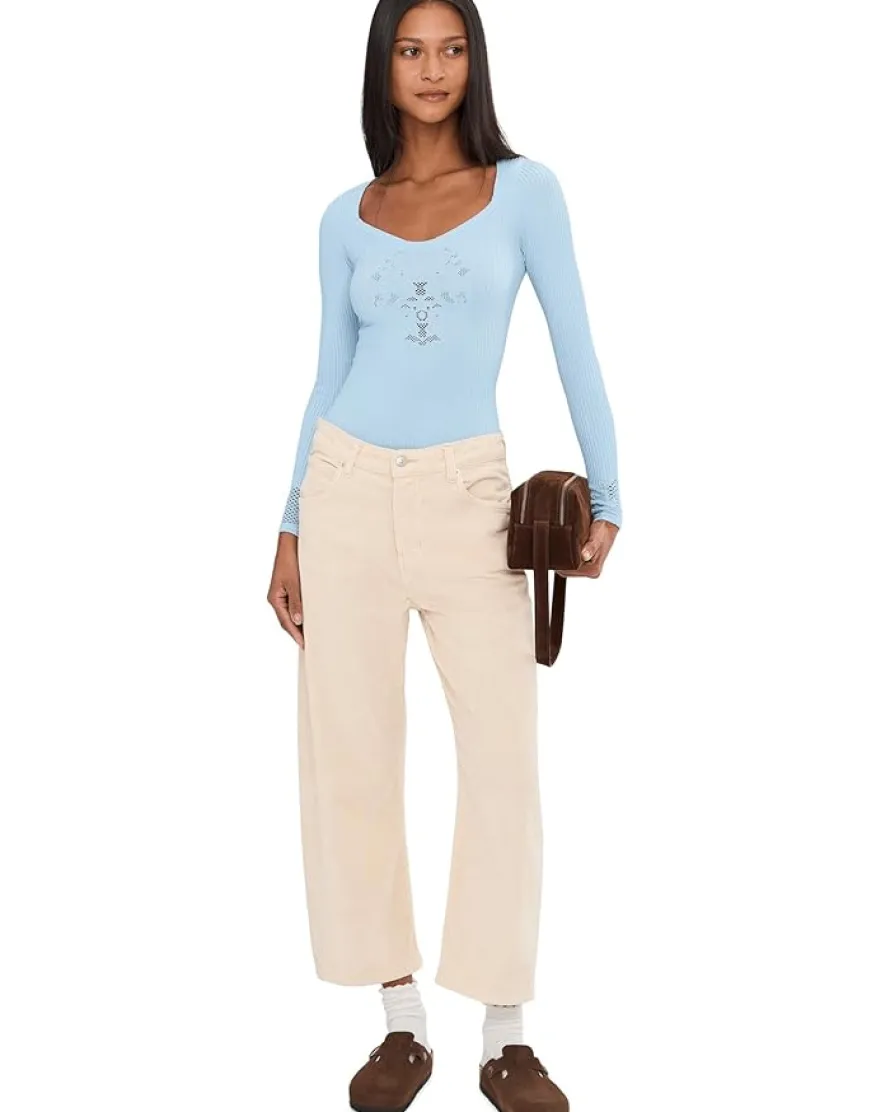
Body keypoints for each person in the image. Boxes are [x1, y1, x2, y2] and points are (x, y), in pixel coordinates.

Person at [266, 1, 621, 1109]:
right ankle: (399, 1022)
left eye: (451, 48)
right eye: (411, 50)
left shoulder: (526, 191)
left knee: (502, 760)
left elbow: (573, 338)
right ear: (384, 69)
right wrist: (288, 522)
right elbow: (328, 371)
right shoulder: (346, 216)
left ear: (475, 63)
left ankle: (505, 1034)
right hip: (343, 491)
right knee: (354, 760)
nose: (432, 69)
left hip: (469, 497)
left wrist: (609, 493)